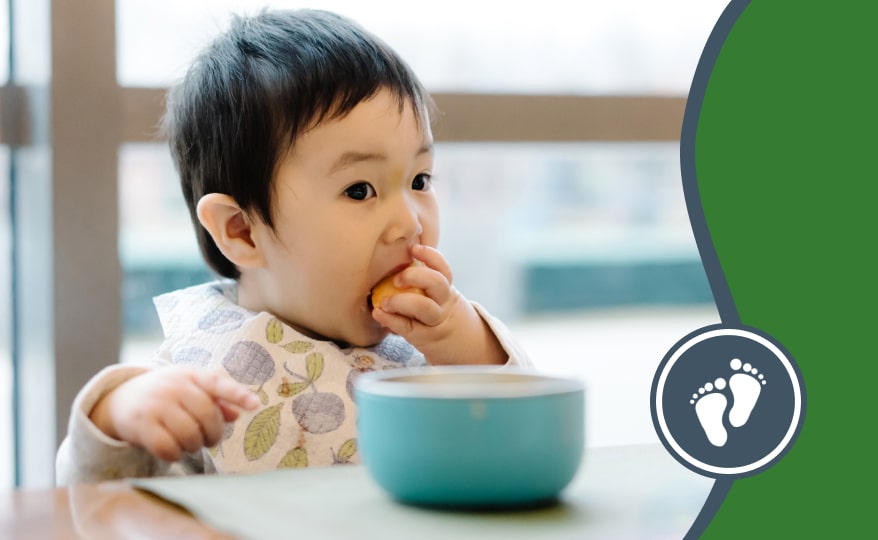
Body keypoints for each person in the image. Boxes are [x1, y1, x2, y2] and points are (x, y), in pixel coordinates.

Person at [55, 8, 528, 485]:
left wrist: (468, 343)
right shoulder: (198, 380)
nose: (411, 223)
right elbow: (94, 499)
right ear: (242, 230)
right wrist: (115, 415)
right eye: (360, 190)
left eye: (419, 179)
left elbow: (524, 432)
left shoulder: (433, 352)